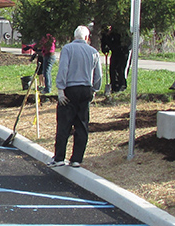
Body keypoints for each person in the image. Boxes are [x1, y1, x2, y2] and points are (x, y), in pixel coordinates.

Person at [51, 25, 102, 168]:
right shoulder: (93, 51)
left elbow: (63, 69)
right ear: (87, 38)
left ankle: (59, 157)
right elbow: (98, 75)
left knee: (64, 125)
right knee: (82, 125)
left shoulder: (68, 49)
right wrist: (94, 90)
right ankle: (76, 159)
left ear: (74, 37)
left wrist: (60, 89)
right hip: (85, 89)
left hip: (70, 89)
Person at [101, 25, 130, 92]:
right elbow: (104, 41)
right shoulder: (106, 32)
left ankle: (121, 85)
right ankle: (114, 86)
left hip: (123, 51)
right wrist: (105, 48)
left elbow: (126, 42)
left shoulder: (121, 31)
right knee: (112, 69)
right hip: (114, 52)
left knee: (120, 68)